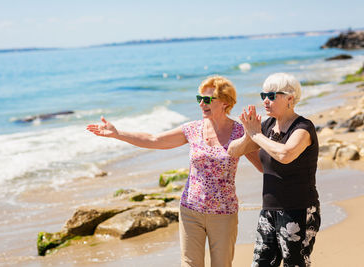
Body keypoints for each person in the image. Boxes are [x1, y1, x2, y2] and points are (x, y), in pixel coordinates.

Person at [87, 75, 260, 267]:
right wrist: (118, 134)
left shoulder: (240, 132)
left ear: (226, 102)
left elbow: (263, 166)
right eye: (199, 99)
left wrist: (258, 137)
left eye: (208, 99)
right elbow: (154, 140)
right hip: (190, 210)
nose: (202, 103)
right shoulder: (193, 129)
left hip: (223, 213)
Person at [228, 72, 321, 267]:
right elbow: (233, 151)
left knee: (294, 264)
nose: (266, 101)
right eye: (263, 96)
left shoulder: (303, 127)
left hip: (299, 209)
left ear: (290, 98)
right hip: (269, 210)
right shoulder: (267, 126)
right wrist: (249, 135)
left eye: (271, 96)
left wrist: (256, 135)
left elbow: (285, 154)